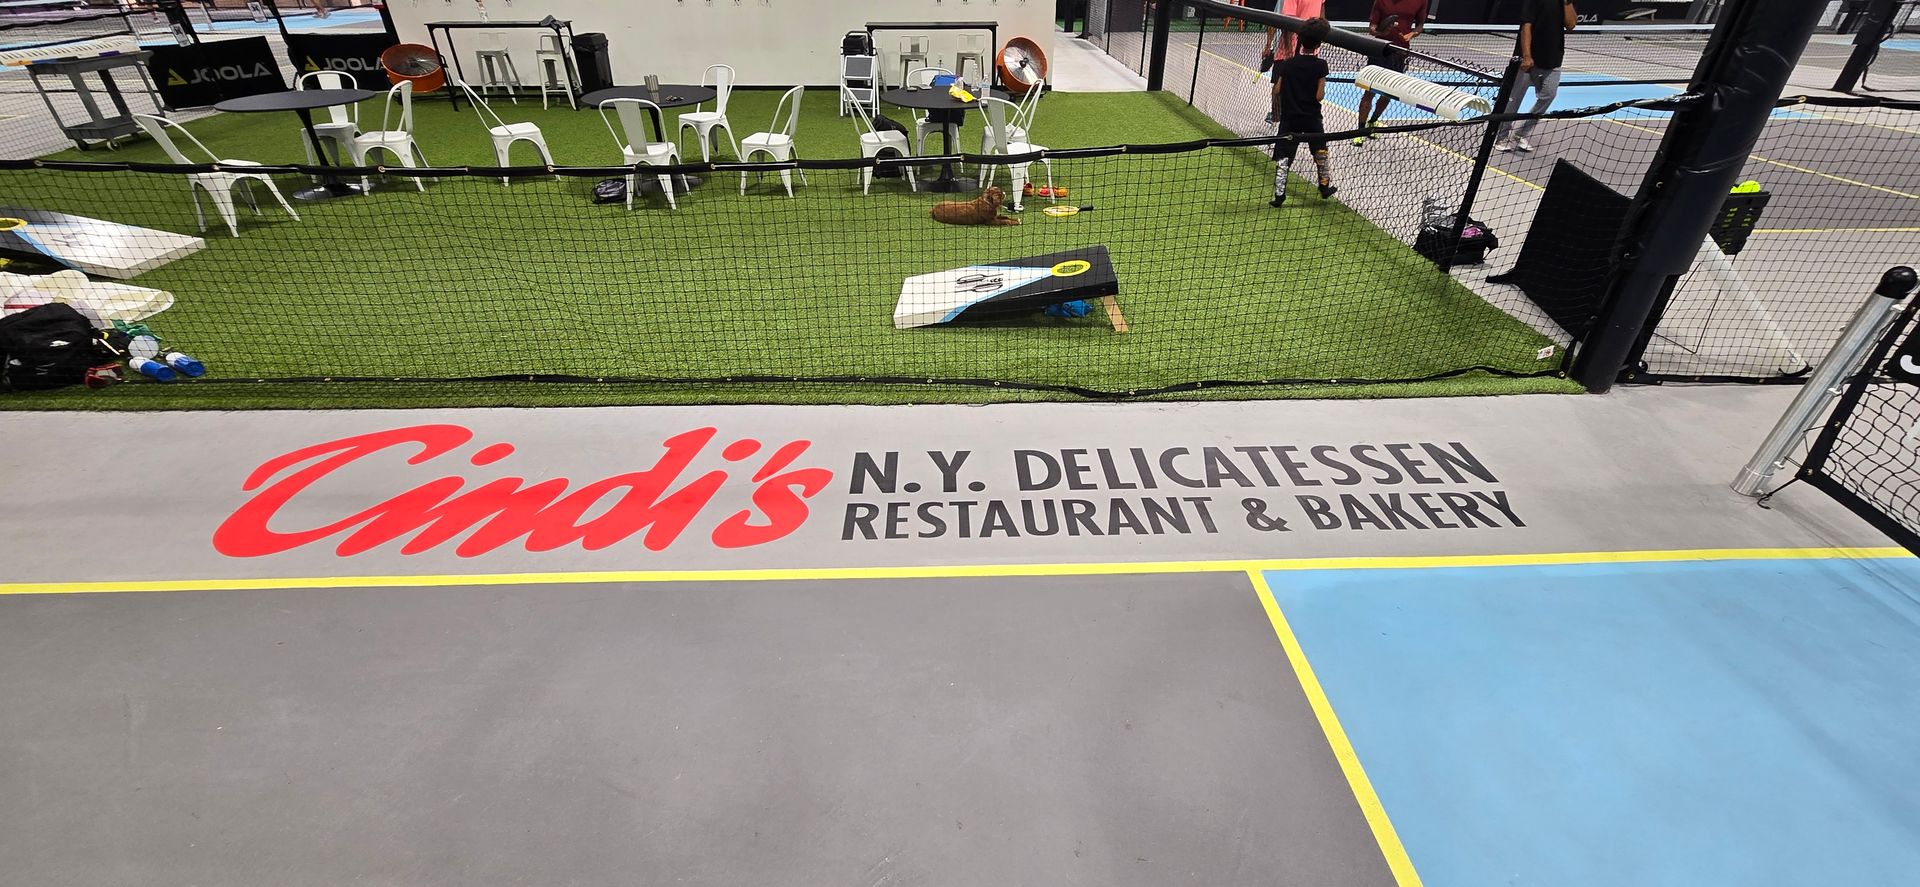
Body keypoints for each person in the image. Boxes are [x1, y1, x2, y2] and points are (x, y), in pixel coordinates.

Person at [1270, 17, 1336, 208]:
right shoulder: (1321, 65)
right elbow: (1319, 96)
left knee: (1284, 156)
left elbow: (1276, 90)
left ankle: (1279, 195)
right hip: (1312, 117)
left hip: (1290, 117)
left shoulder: (1288, 64)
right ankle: (1324, 187)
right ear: (1319, 42)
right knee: (1320, 151)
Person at [1495, 0, 1577, 153]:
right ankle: (1501, 137)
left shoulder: (1566, 2)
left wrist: (1567, 2)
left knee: (1548, 96)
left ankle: (1521, 134)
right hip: (1527, 61)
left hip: (1553, 60)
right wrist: (1526, 56)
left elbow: (1571, 25)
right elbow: (1526, 27)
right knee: (1513, 101)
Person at [1352, 0, 1427, 144]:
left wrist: (1411, 34)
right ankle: (1360, 131)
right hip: (1379, 49)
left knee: (1389, 92)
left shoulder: (1420, 1)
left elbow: (1420, 25)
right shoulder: (1381, 1)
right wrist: (1381, 32)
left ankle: (1373, 122)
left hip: (1400, 52)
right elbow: (1372, 28)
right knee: (1369, 91)